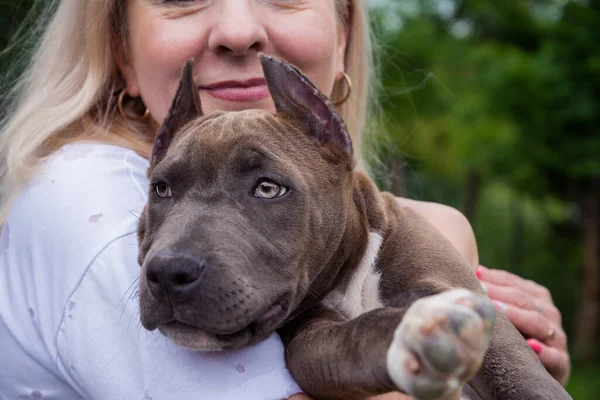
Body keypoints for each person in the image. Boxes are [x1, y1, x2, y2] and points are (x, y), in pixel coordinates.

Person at [0, 0, 569, 399]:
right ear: (119, 49)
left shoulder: (340, 211)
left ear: (343, 35)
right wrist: (453, 259)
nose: (237, 29)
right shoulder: (76, 195)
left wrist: (518, 367)